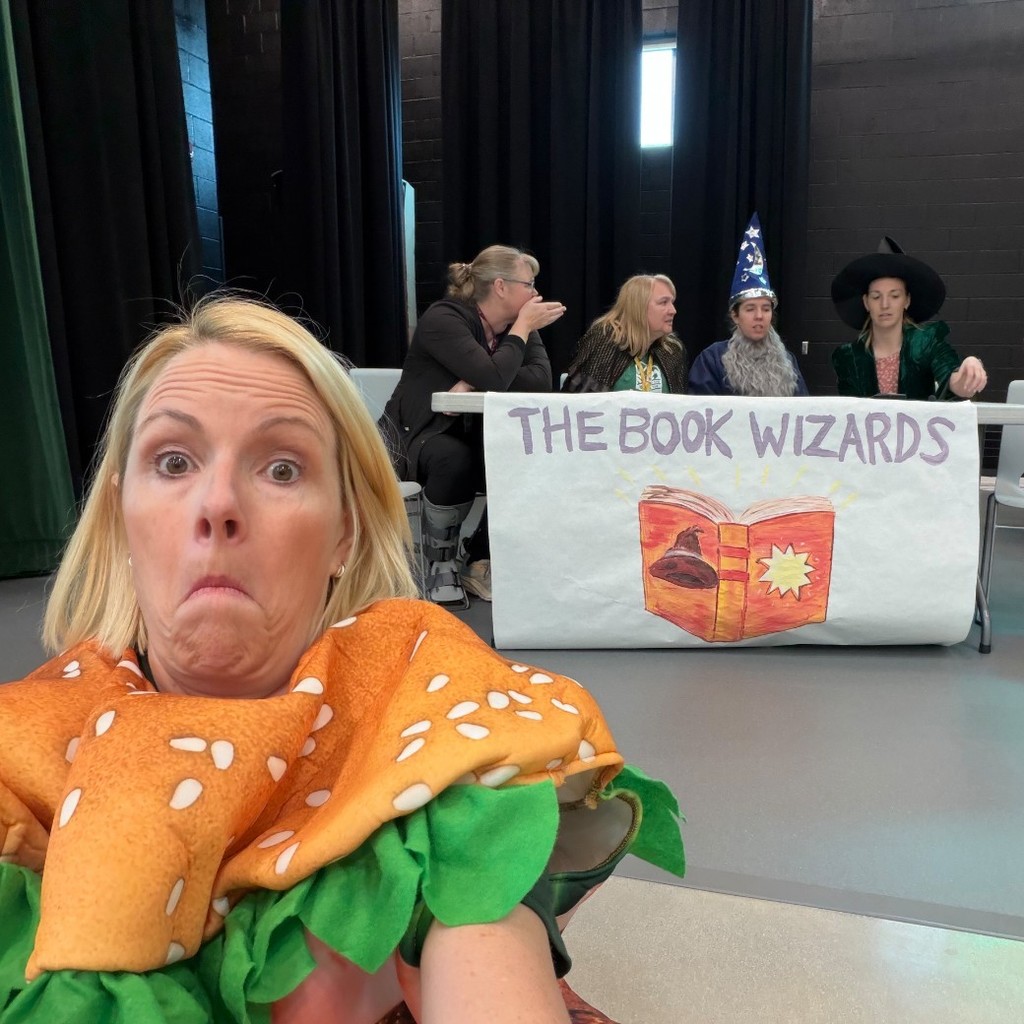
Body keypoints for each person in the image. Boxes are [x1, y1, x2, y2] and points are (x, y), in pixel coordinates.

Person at [0, 296, 683, 1024]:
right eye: (173, 461)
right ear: (120, 513)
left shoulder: (424, 702)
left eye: (283, 469)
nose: (218, 502)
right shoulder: (26, 749)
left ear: (345, 536)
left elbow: (483, 930)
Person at [382, 245, 565, 607]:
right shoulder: (444, 318)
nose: (535, 295)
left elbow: (541, 380)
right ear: (500, 286)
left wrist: (474, 379)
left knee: (522, 456)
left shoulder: (518, 328)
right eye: (529, 285)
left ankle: (478, 559)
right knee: (455, 457)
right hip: (416, 437)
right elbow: (498, 377)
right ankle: (441, 561)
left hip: (474, 435)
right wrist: (519, 334)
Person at [830, 236, 988, 400]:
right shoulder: (848, 356)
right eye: (876, 297)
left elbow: (951, 379)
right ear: (866, 302)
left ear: (907, 300)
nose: (885, 305)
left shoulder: (926, 342)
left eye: (895, 296)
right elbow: (850, 408)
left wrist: (969, 370)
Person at [688, 213, 808, 397]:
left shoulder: (787, 360)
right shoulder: (712, 359)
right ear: (735, 315)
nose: (759, 316)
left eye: (766, 309)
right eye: (750, 309)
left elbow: (802, 410)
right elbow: (702, 412)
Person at [561, 274, 687, 394]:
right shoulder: (604, 341)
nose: (673, 310)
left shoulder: (672, 350)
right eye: (663, 302)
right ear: (639, 306)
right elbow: (579, 403)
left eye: (672, 302)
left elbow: (680, 407)